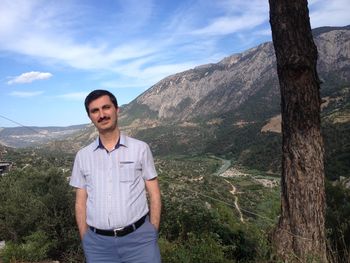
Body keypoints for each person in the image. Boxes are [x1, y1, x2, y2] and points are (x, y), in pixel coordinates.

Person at [70, 89, 162, 263]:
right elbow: (80, 202)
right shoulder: (82, 156)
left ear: (117, 110)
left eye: (106, 107)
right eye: (95, 111)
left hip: (140, 242)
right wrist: (85, 238)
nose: (102, 114)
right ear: (90, 117)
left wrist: (152, 232)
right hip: (98, 247)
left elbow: (155, 194)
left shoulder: (140, 148)